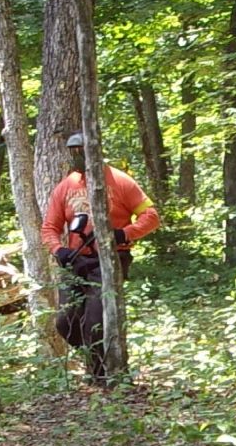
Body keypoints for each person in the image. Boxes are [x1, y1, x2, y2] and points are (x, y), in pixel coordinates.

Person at [41, 132, 160, 384]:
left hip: (109, 261)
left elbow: (151, 216)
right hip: (75, 262)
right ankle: (93, 361)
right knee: (65, 323)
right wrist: (59, 250)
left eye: (81, 151)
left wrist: (123, 234)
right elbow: (49, 227)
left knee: (95, 322)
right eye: (72, 151)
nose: (77, 156)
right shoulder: (66, 186)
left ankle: (102, 378)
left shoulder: (120, 181)